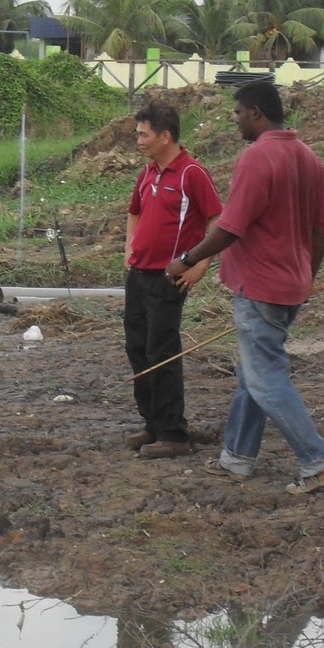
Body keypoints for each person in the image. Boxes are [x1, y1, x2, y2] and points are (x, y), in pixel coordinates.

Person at [164, 80, 324, 495]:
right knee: (253, 374)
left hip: (260, 287)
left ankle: (319, 462)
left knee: (264, 379)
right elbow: (321, 228)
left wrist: (187, 259)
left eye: (238, 113)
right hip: (290, 284)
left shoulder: (258, 157)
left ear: (256, 113)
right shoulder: (308, 157)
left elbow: (230, 227)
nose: (236, 120)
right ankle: (237, 458)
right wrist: (307, 273)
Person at [121, 101, 222, 458]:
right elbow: (134, 213)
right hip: (138, 275)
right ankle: (152, 425)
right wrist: (129, 248)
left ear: (165, 136)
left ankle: (173, 434)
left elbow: (217, 221)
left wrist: (200, 265)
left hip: (168, 278)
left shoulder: (192, 173)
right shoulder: (148, 173)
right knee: (137, 348)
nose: (138, 141)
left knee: (161, 351)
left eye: (143, 135)